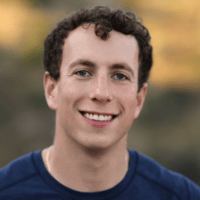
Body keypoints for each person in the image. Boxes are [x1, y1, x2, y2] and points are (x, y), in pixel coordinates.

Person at [0, 6, 200, 200]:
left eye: (120, 76)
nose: (101, 93)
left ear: (139, 99)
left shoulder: (181, 196)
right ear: (52, 90)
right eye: (83, 72)